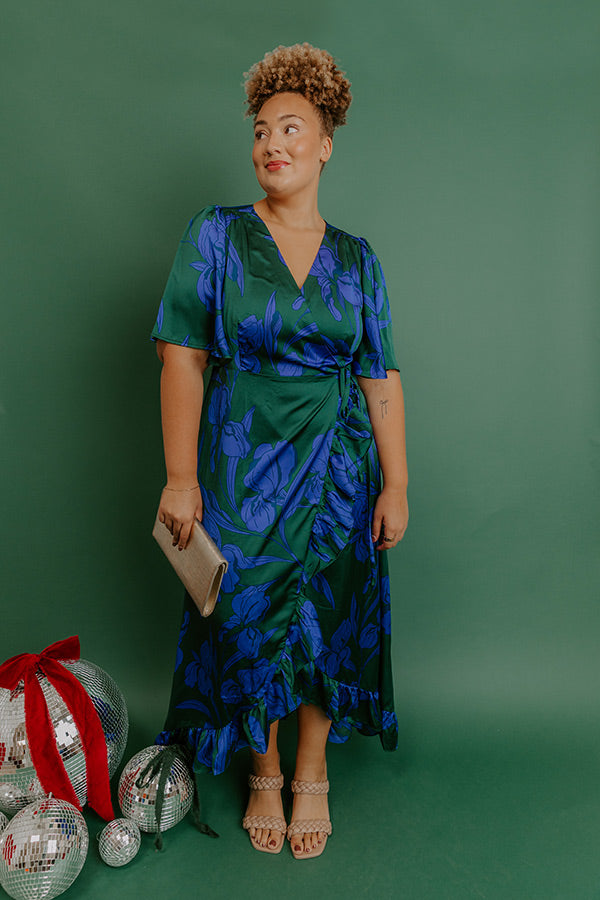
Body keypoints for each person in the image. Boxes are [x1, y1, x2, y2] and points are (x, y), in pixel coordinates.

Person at [151, 42, 409, 860]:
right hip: (244, 461)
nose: (272, 143)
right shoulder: (217, 235)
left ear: (326, 143)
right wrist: (181, 478)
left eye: (291, 128)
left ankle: (311, 770)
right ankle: (262, 768)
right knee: (244, 609)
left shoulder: (358, 259)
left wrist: (396, 483)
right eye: (261, 130)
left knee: (329, 609)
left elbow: (380, 376)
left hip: (338, 463)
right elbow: (182, 354)